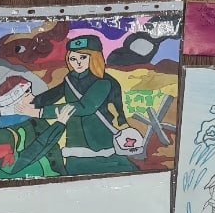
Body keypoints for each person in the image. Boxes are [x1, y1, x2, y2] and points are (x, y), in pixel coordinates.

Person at [32, 35, 137, 175]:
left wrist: (41, 112)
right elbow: (53, 95)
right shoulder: (70, 79)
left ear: (94, 58)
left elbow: (84, 107)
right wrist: (33, 102)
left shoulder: (104, 82)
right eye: (73, 59)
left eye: (83, 57)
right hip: (76, 138)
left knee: (113, 171)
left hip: (101, 137)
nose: (78, 63)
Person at [0, 75, 73, 180]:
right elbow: (10, 167)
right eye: (27, 95)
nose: (32, 97)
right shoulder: (1, 134)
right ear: (15, 102)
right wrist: (58, 126)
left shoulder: (31, 118)